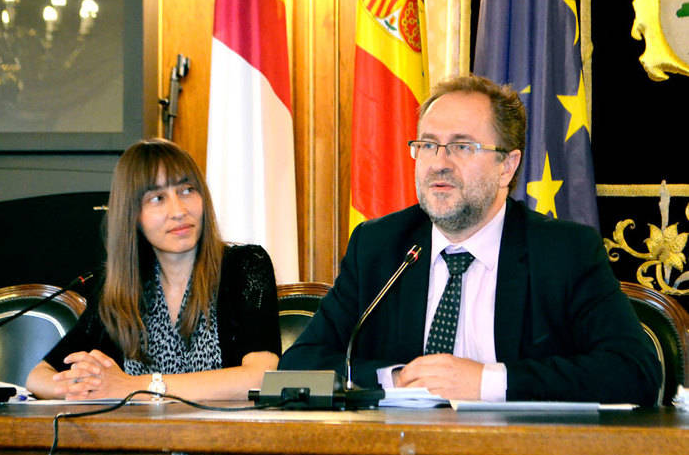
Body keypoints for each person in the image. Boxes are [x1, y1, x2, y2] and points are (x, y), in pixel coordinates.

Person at [280, 75, 661, 405]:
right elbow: (298, 366)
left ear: (506, 166)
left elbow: (633, 372)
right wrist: (395, 379)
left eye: (462, 147)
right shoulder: (379, 246)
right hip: (399, 452)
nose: (439, 163)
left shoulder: (563, 251)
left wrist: (486, 382)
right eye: (427, 145)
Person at [26, 139, 281, 400]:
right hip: (138, 428)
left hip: (223, 427)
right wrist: (81, 388)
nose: (179, 211)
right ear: (132, 215)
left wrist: (132, 387)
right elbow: (38, 376)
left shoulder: (245, 265)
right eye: (158, 198)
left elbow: (260, 377)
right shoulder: (120, 288)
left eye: (187, 190)